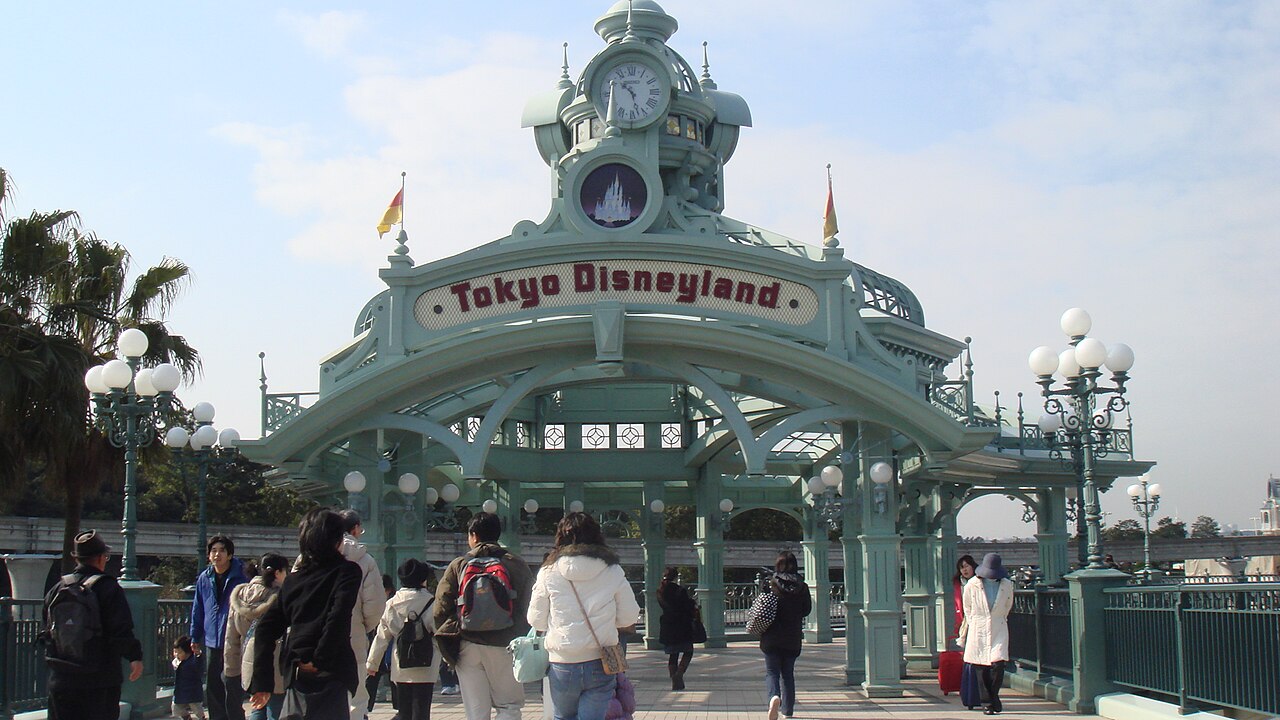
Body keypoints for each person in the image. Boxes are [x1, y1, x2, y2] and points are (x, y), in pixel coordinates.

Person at [249, 508, 362, 719]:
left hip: (297, 670)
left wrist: (263, 681)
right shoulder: (347, 572)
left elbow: (265, 628)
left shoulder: (293, 580)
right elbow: (337, 618)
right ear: (337, 540)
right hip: (331, 669)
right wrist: (319, 660)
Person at [528, 512, 641, 720]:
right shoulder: (612, 570)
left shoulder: (548, 572)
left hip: (562, 661)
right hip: (600, 660)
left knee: (563, 716)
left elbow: (535, 620)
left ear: (560, 537)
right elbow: (629, 616)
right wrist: (608, 621)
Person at [433, 512, 534, 720]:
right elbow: (529, 605)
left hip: (468, 644)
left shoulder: (459, 565)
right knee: (509, 706)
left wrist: (450, 637)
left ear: (473, 535)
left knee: (476, 712)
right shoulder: (516, 564)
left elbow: (441, 607)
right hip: (505, 643)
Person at [42, 529, 144, 720]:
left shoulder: (58, 588)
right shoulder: (109, 587)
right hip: (99, 680)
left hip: (61, 678)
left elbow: (47, 629)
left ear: (76, 558)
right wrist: (134, 657)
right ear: (100, 558)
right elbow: (120, 630)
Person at [367, 559, 441, 720]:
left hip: (401, 662)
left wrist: (372, 663)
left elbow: (382, 637)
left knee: (404, 711)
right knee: (422, 711)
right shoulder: (432, 603)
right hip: (427, 663)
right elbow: (440, 633)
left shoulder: (392, 604)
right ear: (423, 579)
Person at [225, 553, 290, 720]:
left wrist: (230, 669)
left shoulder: (239, 596)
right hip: (274, 661)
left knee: (257, 708)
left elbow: (231, 638)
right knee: (276, 709)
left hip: (248, 661)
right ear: (277, 573)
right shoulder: (280, 597)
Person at [191, 535, 249, 720]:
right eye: (213, 551)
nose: (217, 555)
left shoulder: (241, 577)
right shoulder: (204, 578)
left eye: (222, 551)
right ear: (209, 555)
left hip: (234, 639)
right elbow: (198, 608)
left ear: (230, 555)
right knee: (213, 687)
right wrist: (195, 636)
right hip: (212, 641)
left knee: (232, 686)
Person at [337, 510, 388, 720]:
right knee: (356, 699)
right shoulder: (365, 560)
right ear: (356, 528)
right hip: (353, 635)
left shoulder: (313, 554)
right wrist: (362, 626)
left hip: (316, 638)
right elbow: (375, 605)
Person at [960, 553, 1014, 716]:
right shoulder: (972, 585)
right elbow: (967, 607)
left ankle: (993, 695)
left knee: (998, 663)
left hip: (998, 625)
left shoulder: (1007, 585)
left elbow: (1008, 605)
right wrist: (973, 622)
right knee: (981, 666)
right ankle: (988, 702)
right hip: (979, 626)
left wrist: (999, 618)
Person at [759, 551, 811, 720]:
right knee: (788, 674)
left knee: (772, 672)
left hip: (771, 636)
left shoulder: (770, 584)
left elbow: (761, 607)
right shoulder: (802, 586)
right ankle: (787, 711)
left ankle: (774, 696)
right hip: (792, 637)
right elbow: (807, 610)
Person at [655, 567, 696, 690]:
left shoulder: (660, 591)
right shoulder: (680, 590)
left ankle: (674, 678)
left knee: (673, 654)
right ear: (675, 577)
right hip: (682, 625)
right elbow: (687, 606)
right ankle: (679, 674)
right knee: (688, 651)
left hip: (667, 624)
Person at [366, 573, 397, 715]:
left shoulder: (393, 603)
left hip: (389, 648)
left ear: (388, 589)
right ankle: (366, 709)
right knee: (371, 680)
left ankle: (400, 710)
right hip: (377, 647)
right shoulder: (373, 602)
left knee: (394, 680)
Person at [173, 636, 207, 720]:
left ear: (187, 652)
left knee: (197, 709)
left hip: (193, 692)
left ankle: (202, 718)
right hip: (180, 692)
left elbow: (199, 665)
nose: (176, 655)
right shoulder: (178, 661)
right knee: (176, 708)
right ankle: (187, 718)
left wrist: (198, 655)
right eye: (175, 652)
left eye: (179, 652)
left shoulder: (193, 661)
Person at [952, 555, 978, 642]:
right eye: (961, 568)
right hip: (962, 615)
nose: (964, 570)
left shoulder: (979, 581)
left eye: (966, 566)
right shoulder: (957, 583)